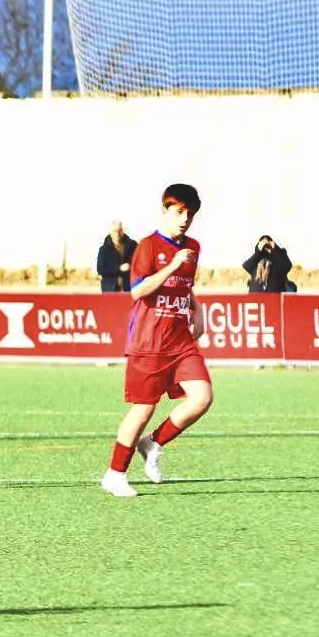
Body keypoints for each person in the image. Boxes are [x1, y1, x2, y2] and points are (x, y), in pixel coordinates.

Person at [102, 182, 211, 498]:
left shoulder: (193, 246)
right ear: (164, 211)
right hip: (149, 341)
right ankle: (114, 474)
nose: (184, 219)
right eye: (178, 212)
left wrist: (197, 309)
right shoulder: (148, 247)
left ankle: (153, 442)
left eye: (189, 214)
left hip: (180, 340)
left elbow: (184, 285)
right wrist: (173, 265)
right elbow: (137, 290)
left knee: (202, 397)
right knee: (143, 409)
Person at [95, 221, 135, 293]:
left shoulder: (132, 246)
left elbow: (139, 263)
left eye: (120, 230)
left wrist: (130, 266)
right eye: (115, 231)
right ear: (110, 232)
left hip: (129, 288)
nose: (117, 234)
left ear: (123, 231)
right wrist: (119, 268)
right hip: (110, 289)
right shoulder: (104, 249)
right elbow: (100, 269)